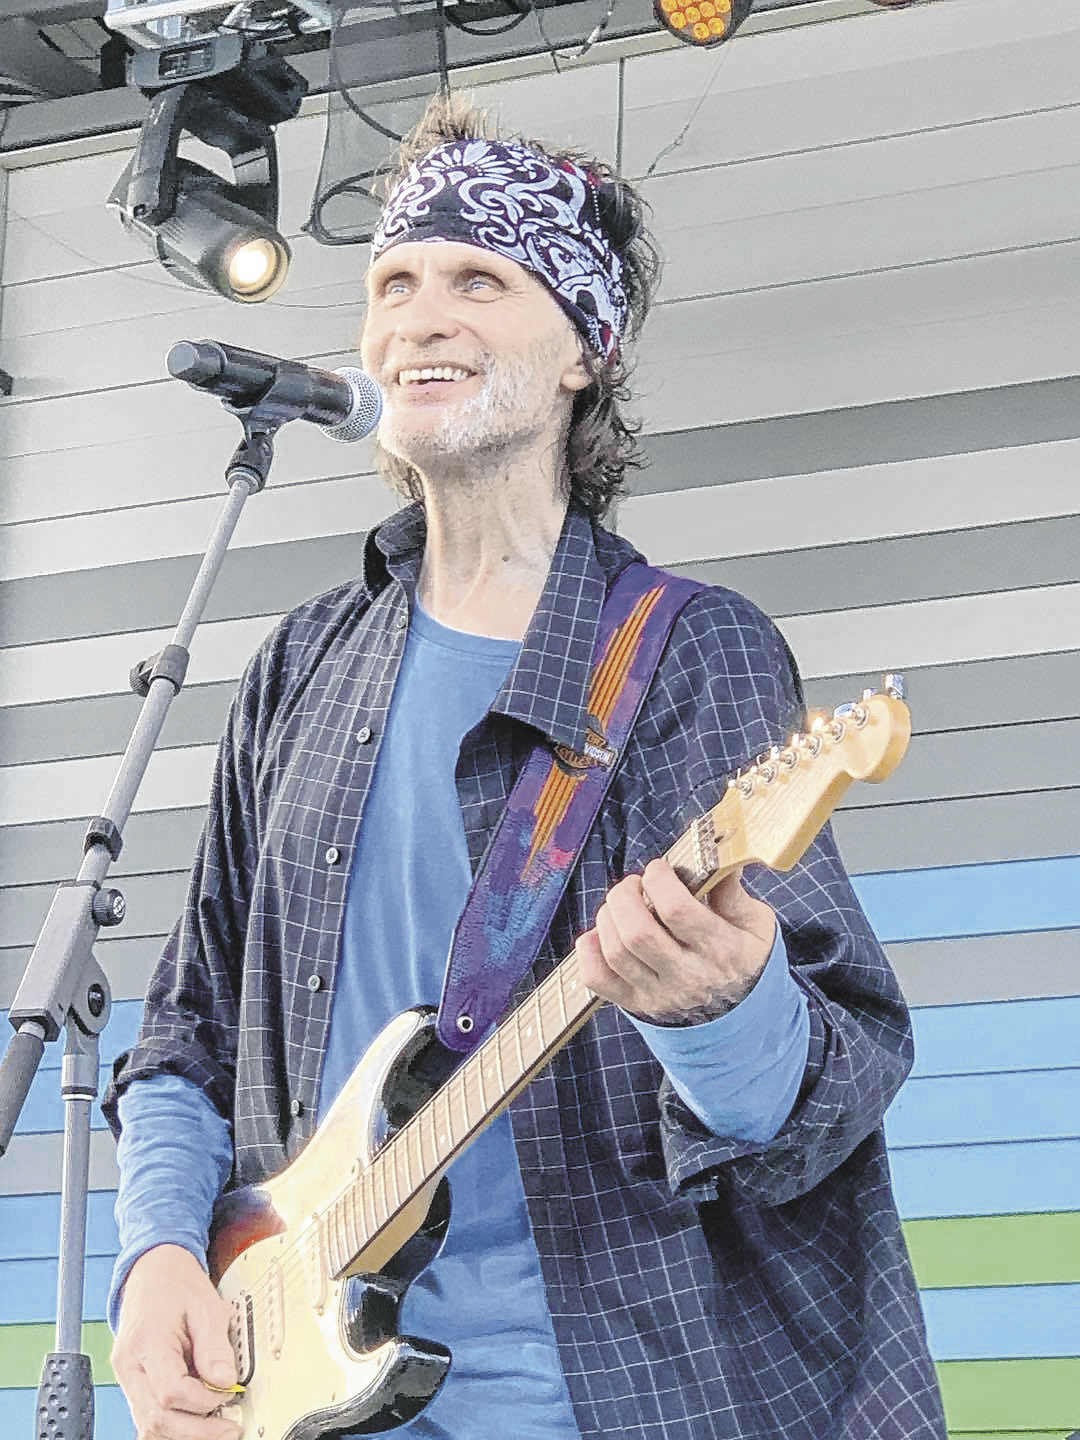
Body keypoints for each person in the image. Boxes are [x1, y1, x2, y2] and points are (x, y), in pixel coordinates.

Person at [103, 96, 947, 1440]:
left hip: (612, 1395)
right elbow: (185, 1028)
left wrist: (723, 1010)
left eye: (478, 282)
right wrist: (156, 1255)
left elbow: (824, 1100)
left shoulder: (689, 653)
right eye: (393, 284)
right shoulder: (300, 665)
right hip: (299, 1390)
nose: (418, 319)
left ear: (582, 354)